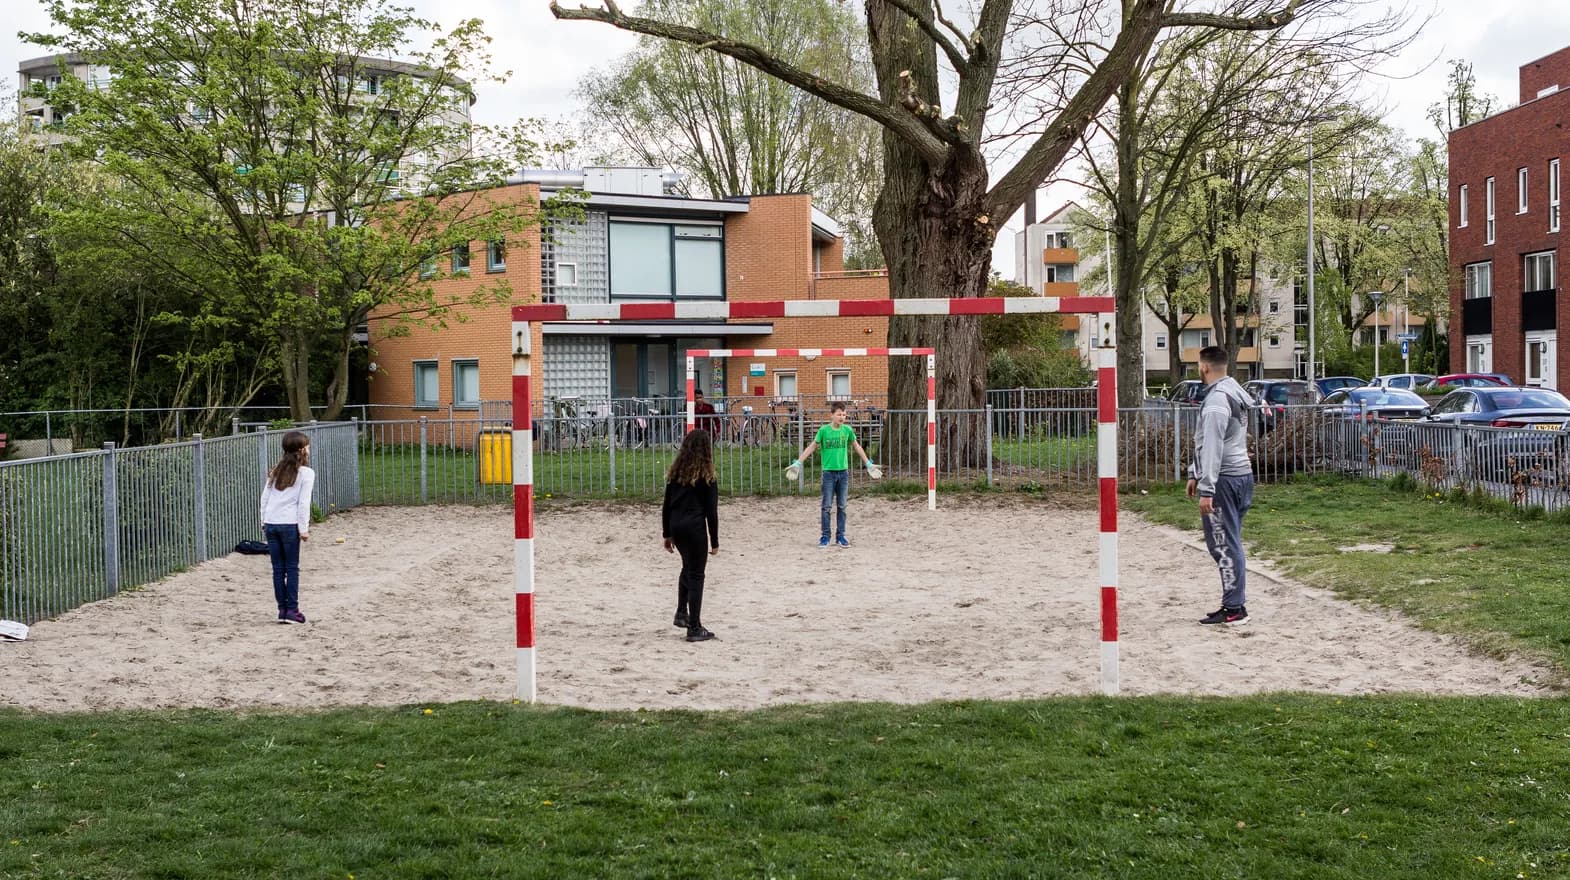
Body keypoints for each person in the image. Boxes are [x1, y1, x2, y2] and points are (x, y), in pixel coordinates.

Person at [1185, 346, 1256, 625]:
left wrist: (1207, 488)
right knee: (1230, 541)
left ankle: (1234, 608)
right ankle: (1233, 603)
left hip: (1224, 479)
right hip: (1241, 475)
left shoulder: (1216, 401)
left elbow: (1212, 446)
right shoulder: (1234, 392)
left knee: (1224, 545)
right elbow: (1211, 441)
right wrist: (1194, 472)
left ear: (1204, 367)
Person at [662, 429, 720, 642]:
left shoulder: (675, 474)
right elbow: (711, 512)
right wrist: (714, 541)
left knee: (687, 567)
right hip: (694, 528)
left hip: (677, 526)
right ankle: (694, 626)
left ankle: (681, 612)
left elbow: (666, 505)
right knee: (697, 575)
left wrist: (667, 533)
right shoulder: (707, 477)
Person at [792, 401, 873, 548]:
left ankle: (840, 536)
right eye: (839, 414)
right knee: (826, 506)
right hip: (828, 474)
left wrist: (868, 463)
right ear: (832, 415)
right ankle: (825, 536)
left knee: (842, 506)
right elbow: (812, 446)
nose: (842, 417)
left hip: (843, 473)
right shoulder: (824, 431)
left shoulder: (847, 430)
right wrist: (799, 462)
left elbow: (857, 446)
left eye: (844, 415)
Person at [260, 431, 316, 624]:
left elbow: (265, 498)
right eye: (307, 446)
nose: (309, 449)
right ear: (301, 450)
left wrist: (263, 521)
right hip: (289, 524)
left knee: (278, 569)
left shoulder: (276, 470)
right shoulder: (306, 473)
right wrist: (303, 528)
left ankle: (282, 610)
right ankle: (292, 609)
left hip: (271, 523)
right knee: (291, 568)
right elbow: (303, 503)